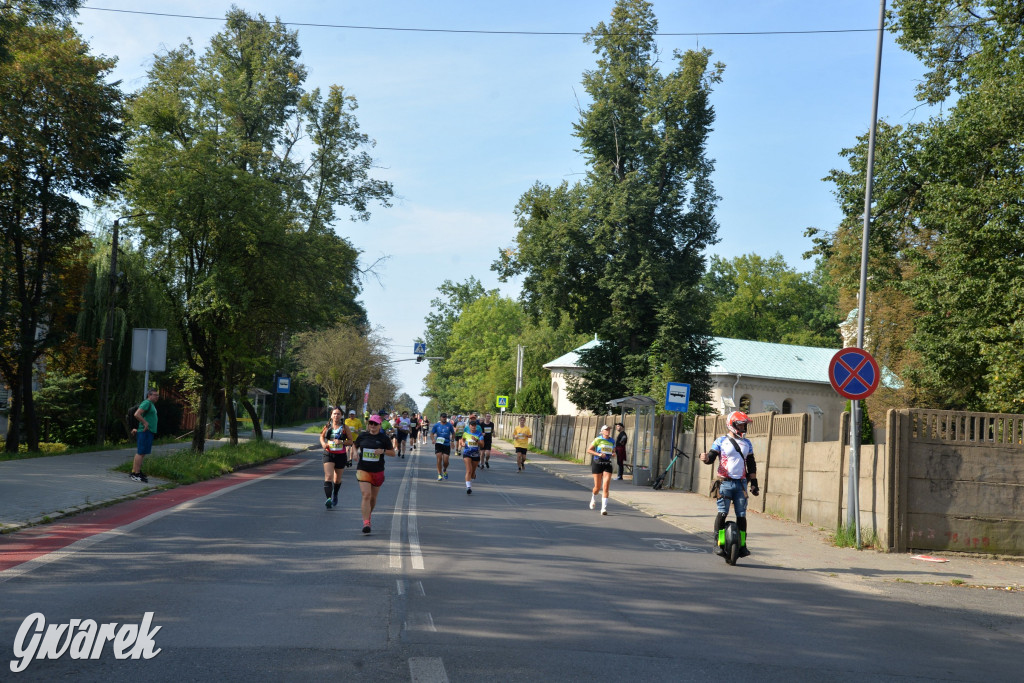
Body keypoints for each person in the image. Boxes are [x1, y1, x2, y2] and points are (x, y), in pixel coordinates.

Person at [700, 411, 759, 558]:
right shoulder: (720, 441)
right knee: (722, 513)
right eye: (740, 424)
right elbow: (711, 458)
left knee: (741, 515)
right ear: (732, 424)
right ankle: (718, 543)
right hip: (724, 483)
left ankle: (743, 545)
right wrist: (705, 458)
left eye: (744, 424)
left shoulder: (747, 443)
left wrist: (754, 484)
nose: (743, 427)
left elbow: (751, 464)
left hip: (741, 484)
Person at [352, 414, 396, 533]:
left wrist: (383, 451)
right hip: (363, 469)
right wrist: (355, 453)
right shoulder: (362, 436)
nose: (372, 426)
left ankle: (368, 515)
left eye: (375, 424)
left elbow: (393, 453)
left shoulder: (384, 438)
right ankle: (366, 523)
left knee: (373, 497)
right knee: (366, 495)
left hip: (377, 471)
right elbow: (354, 445)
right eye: (370, 423)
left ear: (379, 425)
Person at [319, 408, 352, 509]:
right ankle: (328, 499)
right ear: (331, 415)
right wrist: (324, 443)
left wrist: (342, 442)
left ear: (341, 415)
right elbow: (321, 436)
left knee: (337, 480)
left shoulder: (345, 428)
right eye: (334, 414)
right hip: (328, 454)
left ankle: (335, 494)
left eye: (338, 414)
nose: (336, 416)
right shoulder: (327, 426)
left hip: (340, 455)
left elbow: (350, 441)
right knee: (328, 476)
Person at [129, 388, 160, 483]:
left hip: (148, 431)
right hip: (144, 431)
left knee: (142, 453)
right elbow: (137, 414)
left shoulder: (151, 404)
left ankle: (135, 471)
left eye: (158, 395)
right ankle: (136, 474)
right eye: (155, 395)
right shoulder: (147, 403)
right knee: (141, 452)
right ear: (149, 395)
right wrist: (145, 423)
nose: (157, 397)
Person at [587, 424, 616, 515]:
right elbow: (589, 450)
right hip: (597, 463)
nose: (608, 431)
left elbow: (613, 451)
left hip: (607, 463)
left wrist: (613, 454)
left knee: (606, 487)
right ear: (602, 431)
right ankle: (593, 498)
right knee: (597, 487)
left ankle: (603, 509)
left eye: (609, 429)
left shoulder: (612, 440)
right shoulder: (598, 439)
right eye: (606, 429)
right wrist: (599, 454)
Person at [460, 416, 485, 494]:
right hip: (467, 453)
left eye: (475, 425)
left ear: (476, 426)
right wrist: (462, 443)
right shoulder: (466, 433)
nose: (473, 427)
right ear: (469, 426)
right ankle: (468, 487)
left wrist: (476, 440)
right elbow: (462, 440)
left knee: (473, 472)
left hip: (476, 454)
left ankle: (473, 476)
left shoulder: (479, 434)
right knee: (469, 470)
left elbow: (482, 445)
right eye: (472, 425)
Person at [430, 413, 455, 480]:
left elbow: (453, 433)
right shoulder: (436, 425)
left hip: (446, 444)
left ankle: (444, 469)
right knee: (439, 459)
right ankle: (439, 474)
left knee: (446, 461)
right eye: (443, 417)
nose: (444, 418)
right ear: (440, 418)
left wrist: (452, 441)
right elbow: (432, 433)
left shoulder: (449, 425)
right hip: (438, 444)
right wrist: (433, 439)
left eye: (445, 417)